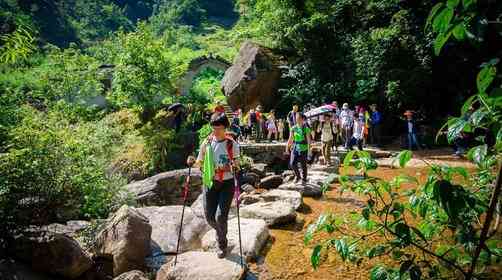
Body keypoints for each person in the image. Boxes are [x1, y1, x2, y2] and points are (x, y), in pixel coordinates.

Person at [186, 112, 240, 259]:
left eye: (219, 128)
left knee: (221, 216)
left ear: (225, 128)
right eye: (213, 127)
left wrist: (230, 167)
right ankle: (221, 230)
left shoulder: (231, 144)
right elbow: (199, 163)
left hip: (226, 183)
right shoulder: (207, 142)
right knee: (210, 217)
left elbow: (237, 165)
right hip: (209, 182)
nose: (216, 131)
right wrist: (192, 161)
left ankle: (222, 244)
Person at [286, 113, 312, 184]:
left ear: (302, 119)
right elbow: (290, 139)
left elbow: (309, 141)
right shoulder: (293, 128)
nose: (297, 120)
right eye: (296, 118)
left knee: (303, 165)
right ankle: (298, 176)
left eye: (299, 118)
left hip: (304, 148)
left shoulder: (306, 128)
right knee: (292, 163)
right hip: (295, 147)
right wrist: (287, 148)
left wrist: (309, 151)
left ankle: (304, 179)